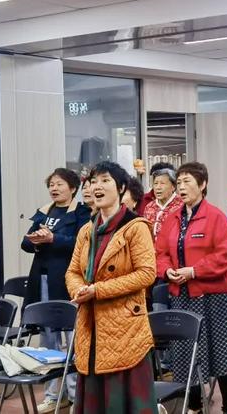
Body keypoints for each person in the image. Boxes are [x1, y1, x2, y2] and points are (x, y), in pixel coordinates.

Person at [65, 162, 158, 414]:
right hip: (91, 324)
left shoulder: (135, 227)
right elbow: (73, 271)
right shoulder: (87, 230)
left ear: (121, 187)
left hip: (125, 327)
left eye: (105, 180)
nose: (97, 186)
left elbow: (147, 274)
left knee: (123, 401)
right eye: (93, 181)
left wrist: (98, 290)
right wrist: (78, 290)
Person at [156, 162, 227, 412]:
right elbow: (160, 253)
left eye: (187, 182)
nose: (181, 187)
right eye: (179, 182)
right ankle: (194, 406)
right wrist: (167, 271)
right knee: (184, 355)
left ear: (202, 185)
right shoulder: (173, 218)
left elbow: (224, 256)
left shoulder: (215, 216)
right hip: (181, 295)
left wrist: (193, 271)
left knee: (221, 352)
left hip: (213, 296)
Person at [23, 168, 91, 413]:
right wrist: (35, 238)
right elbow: (25, 243)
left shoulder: (82, 212)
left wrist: (54, 239)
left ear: (73, 188)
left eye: (59, 184)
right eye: (51, 184)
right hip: (41, 279)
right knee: (48, 337)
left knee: (71, 338)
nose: (54, 188)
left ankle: (76, 394)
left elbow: (82, 242)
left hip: (66, 280)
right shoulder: (44, 211)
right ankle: (54, 394)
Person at [143, 166, 182, 241]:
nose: (158, 187)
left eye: (162, 183)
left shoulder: (181, 205)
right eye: (155, 183)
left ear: (173, 186)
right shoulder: (149, 207)